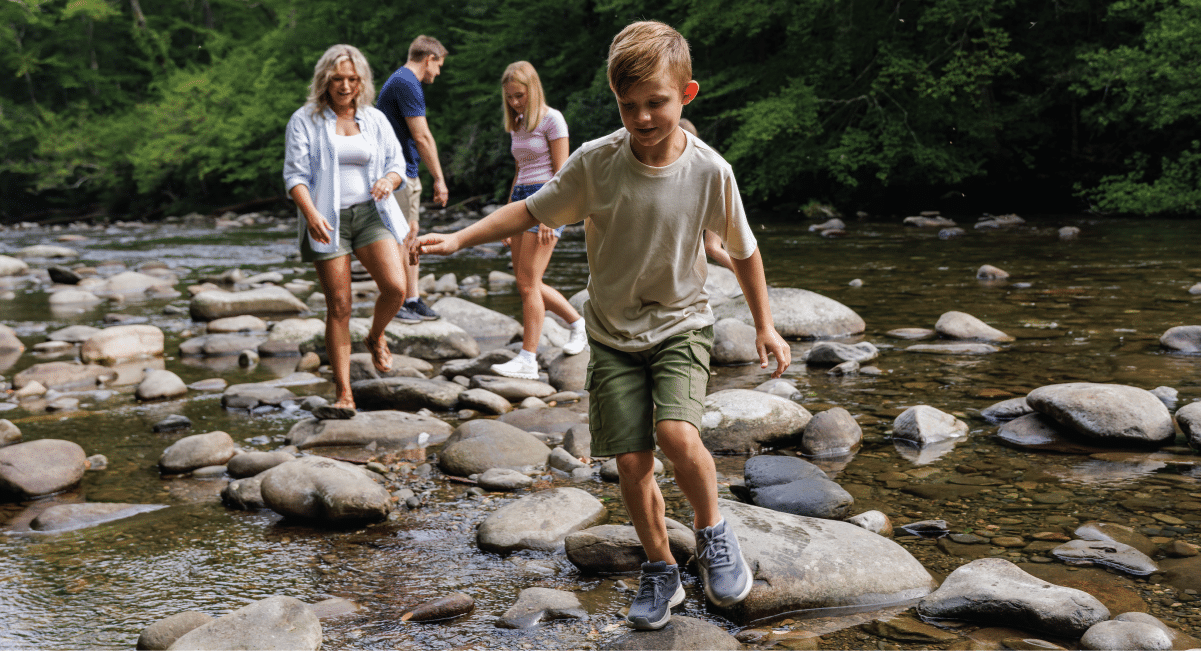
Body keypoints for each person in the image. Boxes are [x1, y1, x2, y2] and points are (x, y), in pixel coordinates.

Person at [415, 21, 790, 630]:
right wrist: (460, 237)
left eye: (656, 104)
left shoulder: (710, 171)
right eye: (628, 106)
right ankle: (661, 568)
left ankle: (714, 533)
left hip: (680, 325)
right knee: (631, 463)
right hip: (613, 336)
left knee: (675, 432)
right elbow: (530, 209)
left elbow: (745, 252)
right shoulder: (596, 163)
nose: (642, 118)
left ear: (686, 95)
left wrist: (765, 326)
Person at [283, 44, 409, 418]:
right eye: (337, 79)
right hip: (326, 219)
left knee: (396, 288)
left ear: (361, 81)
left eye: (352, 79)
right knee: (339, 305)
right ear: (324, 79)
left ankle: (374, 336)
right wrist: (310, 215)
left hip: (372, 215)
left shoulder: (373, 119)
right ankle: (344, 394)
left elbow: (397, 161)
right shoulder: (304, 119)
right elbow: (295, 176)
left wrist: (389, 179)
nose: (344, 86)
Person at [489, 61, 588, 380]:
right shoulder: (517, 123)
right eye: (510, 98)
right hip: (520, 199)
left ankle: (528, 359)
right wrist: (505, 214)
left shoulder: (553, 120)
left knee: (529, 282)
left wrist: (551, 215)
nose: (515, 103)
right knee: (525, 281)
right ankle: (577, 323)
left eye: (519, 96)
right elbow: (519, 171)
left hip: (545, 200)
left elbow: (563, 173)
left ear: (533, 89)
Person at [377, 35, 449, 322]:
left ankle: (412, 298)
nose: (439, 72)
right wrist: (439, 179)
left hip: (405, 171)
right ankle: (400, 303)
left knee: (410, 235)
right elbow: (422, 136)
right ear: (429, 58)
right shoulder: (407, 83)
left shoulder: (402, 81)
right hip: (399, 173)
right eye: (439, 65)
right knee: (401, 237)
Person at [679, 118, 733, 271]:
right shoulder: (707, 152)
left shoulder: (690, 157)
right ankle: (754, 281)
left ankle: (751, 280)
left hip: (715, 202)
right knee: (713, 247)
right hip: (720, 201)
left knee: (711, 247)